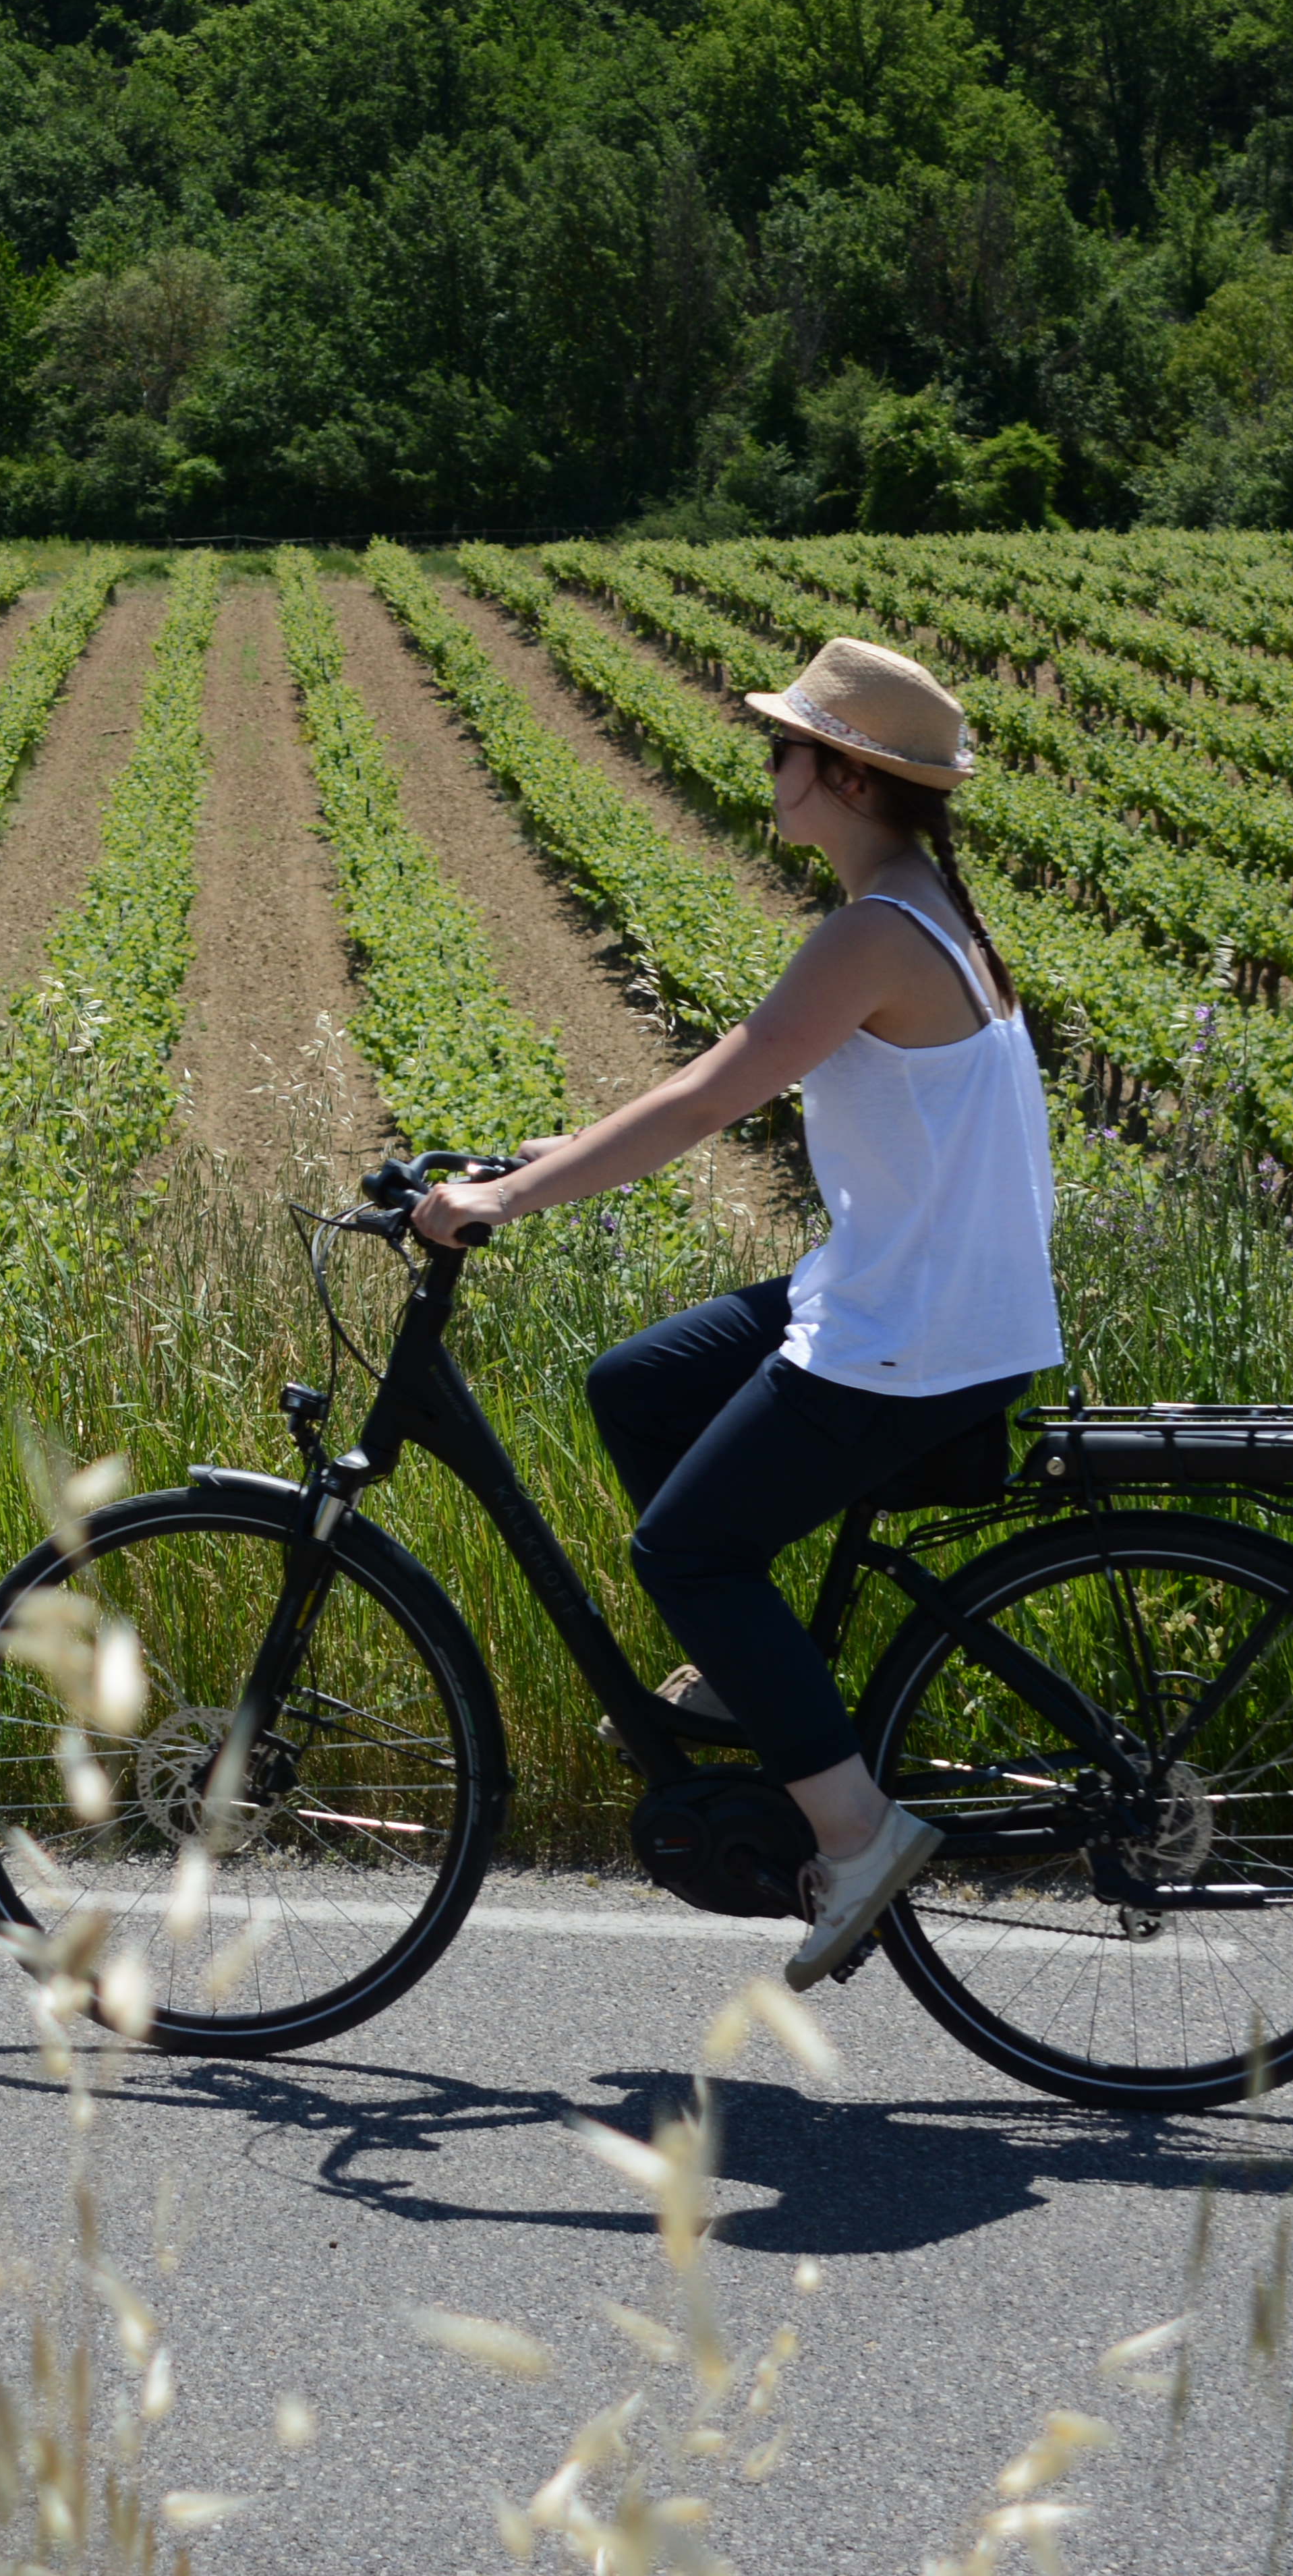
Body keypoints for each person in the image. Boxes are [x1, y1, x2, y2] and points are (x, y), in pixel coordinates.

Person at [409, 637, 1063, 1989]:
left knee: (687, 1552)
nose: (765, 764)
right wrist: (528, 1160)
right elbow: (720, 1081)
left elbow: (712, 1098)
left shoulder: (880, 928)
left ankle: (857, 1828)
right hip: (915, 1290)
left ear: (840, 773)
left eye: (784, 746)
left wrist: (503, 1205)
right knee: (640, 1383)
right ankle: (743, 1677)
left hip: (914, 1327)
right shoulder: (923, 902)